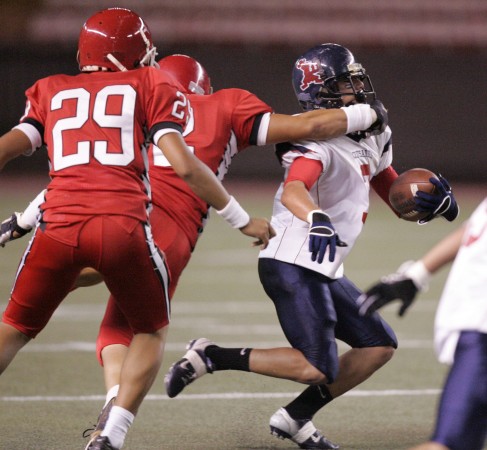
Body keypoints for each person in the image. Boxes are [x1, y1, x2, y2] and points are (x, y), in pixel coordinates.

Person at [0, 52, 390, 449]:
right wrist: (368, 115)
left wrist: (22, 220)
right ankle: (112, 423)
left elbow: (85, 169)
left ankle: (111, 409)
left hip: (87, 215)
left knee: (38, 312)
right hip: (155, 231)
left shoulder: (128, 102)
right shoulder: (222, 104)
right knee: (138, 326)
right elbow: (309, 125)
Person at [0, 8, 274, 450]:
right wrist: (242, 219)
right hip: (122, 227)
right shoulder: (150, 83)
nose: (150, 56)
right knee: (149, 329)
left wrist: (22, 222)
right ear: (123, 54)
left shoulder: (50, 89)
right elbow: (184, 164)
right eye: (144, 48)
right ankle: (112, 434)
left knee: (13, 326)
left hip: (58, 227)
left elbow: (7, 151)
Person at [163, 43, 460, 450]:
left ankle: (295, 418)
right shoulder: (314, 137)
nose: (356, 87)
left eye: (356, 78)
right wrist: (316, 218)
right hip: (292, 260)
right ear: (320, 91)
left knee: (378, 345)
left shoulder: (373, 134)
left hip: (323, 264)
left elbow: (390, 190)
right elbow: (294, 190)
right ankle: (211, 355)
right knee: (316, 366)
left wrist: (427, 203)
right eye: (344, 82)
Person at [357, 199, 487, 450]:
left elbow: (472, 228)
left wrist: (417, 275)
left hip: (473, 319)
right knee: (449, 445)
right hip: (482, 329)